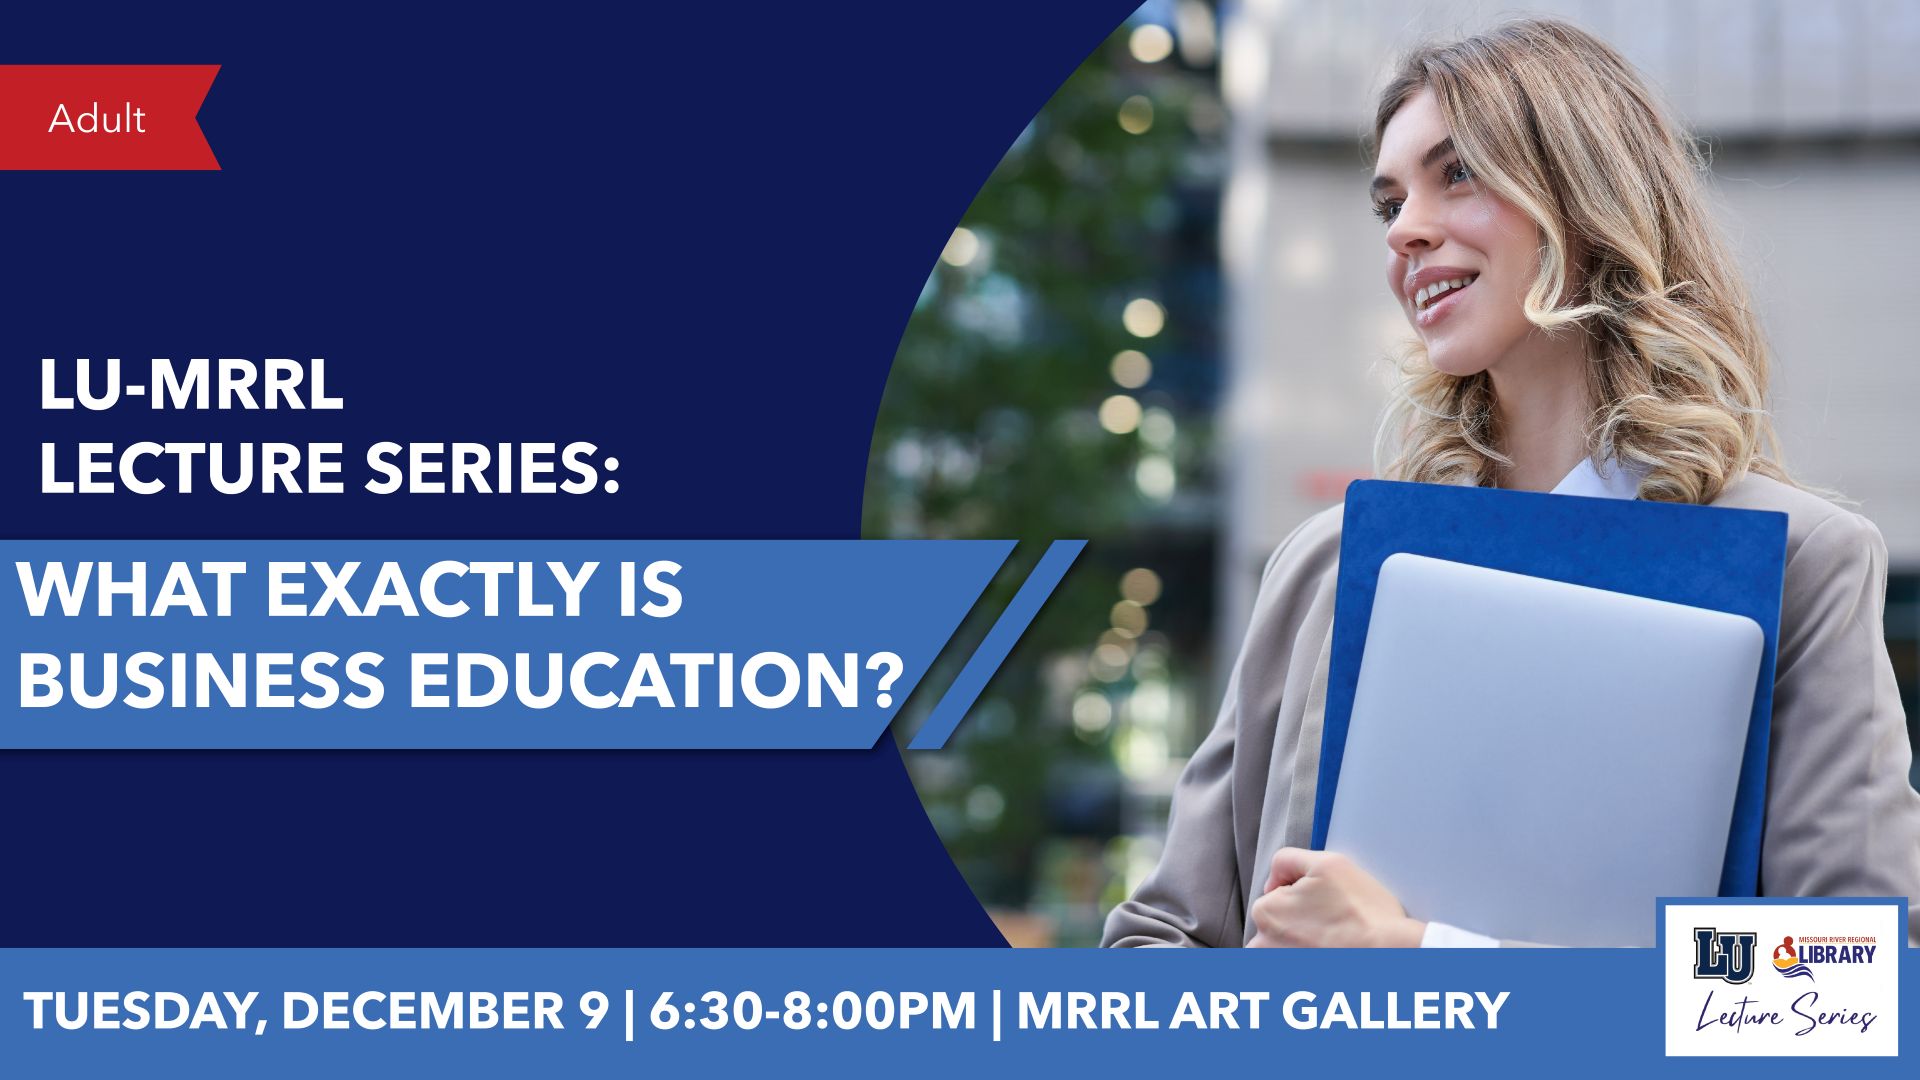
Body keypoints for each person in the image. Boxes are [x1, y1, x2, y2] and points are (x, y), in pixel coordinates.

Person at [1102, 18, 1920, 949]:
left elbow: (1852, 991)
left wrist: (1421, 956)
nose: (1404, 231)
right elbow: (1156, 940)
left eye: (1457, 173)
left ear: (1584, 196)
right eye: (1388, 203)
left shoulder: (1801, 563)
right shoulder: (1325, 565)